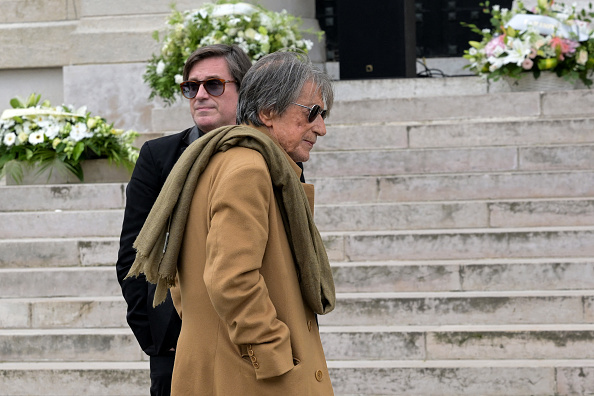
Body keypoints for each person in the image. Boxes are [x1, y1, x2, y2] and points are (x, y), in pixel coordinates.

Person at [127, 51, 336, 395]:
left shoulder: (219, 160)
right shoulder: (248, 169)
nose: (321, 128)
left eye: (322, 114)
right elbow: (230, 280)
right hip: (250, 379)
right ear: (268, 111)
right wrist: (272, 354)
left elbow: (181, 277)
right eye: (311, 113)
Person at [115, 44, 252, 396]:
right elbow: (133, 254)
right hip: (177, 342)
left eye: (214, 85)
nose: (200, 95)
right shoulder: (158, 157)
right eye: (192, 87)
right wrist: (156, 337)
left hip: (250, 338)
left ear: (244, 88)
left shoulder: (270, 155)